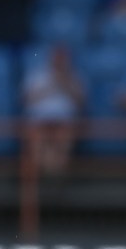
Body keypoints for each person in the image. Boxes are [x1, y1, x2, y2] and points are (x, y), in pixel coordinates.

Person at [22, 43, 86, 177]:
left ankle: (57, 175)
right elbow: (26, 100)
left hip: (65, 122)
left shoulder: (74, 78)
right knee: (39, 142)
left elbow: (81, 103)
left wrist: (64, 82)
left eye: (63, 58)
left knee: (62, 141)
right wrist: (49, 87)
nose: (59, 60)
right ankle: (43, 174)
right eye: (57, 57)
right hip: (39, 121)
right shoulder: (37, 76)